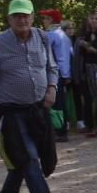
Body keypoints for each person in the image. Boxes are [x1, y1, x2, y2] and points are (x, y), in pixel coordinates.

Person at [0, 0, 63, 193]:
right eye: (17, 16)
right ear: (9, 19)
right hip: (12, 111)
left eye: (26, 15)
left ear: (33, 16)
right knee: (28, 158)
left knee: (29, 159)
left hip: (38, 108)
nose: (22, 19)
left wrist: (52, 88)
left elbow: (52, 68)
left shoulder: (42, 37)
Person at [40, 9, 72, 142]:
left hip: (55, 73)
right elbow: (71, 53)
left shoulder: (50, 35)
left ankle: (59, 131)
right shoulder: (63, 35)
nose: (43, 21)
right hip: (64, 72)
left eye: (45, 18)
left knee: (54, 103)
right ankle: (62, 129)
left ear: (51, 20)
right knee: (60, 102)